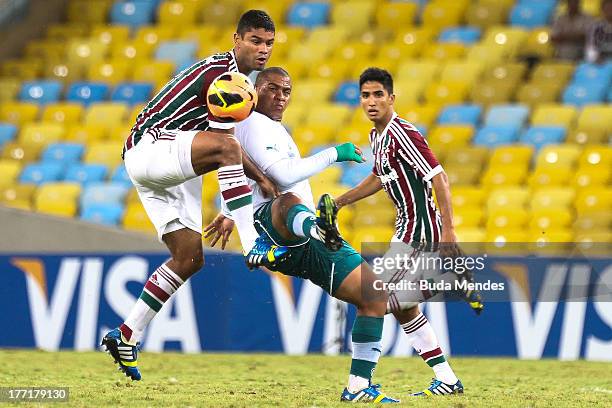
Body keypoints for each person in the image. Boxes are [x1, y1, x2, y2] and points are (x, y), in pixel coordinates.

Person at [100, 10, 292, 381]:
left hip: (167, 163)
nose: (263, 49)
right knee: (226, 148)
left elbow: (225, 151)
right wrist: (260, 182)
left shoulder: (235, 79)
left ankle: (126, 334)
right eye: (255, 40)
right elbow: (227, 147)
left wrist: (247, 190)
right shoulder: (225, 76)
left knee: (188, 257)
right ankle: (253, 243)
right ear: (236, 40)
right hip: (153, 147)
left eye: (269, 43)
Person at [204, 67, 400, 403]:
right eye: (272, 89)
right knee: (288, 199)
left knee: (374, 298)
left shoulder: (264, 128)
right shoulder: (253, 121)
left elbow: (241, 165)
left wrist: (225, 210)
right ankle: (317, 228)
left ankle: (357, 386)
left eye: (286, 91)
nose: (280, 97)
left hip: (300, 241)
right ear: (254, 90)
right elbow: (281, 173)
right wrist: (333, 154)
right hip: (277, 226)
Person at [335, 68, 484, 397]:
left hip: (422, 233)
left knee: (373, 300)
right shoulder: (379, 136)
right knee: (405, 308)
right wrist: (340, 201)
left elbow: (439, 177)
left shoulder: (403, 133)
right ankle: (446, 379)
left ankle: (358, 384)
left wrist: (449, 232)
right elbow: (378, 177)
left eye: (378, 95)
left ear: (391, 98)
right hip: (405, 230)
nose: (371, 102)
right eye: (365, 95)